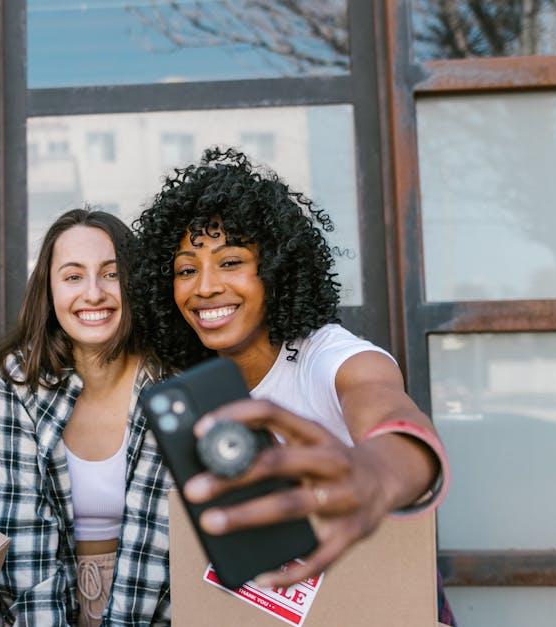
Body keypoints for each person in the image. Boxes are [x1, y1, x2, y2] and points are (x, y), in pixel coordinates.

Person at [130, 148, 456, 625]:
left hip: (384, 602)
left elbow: (386, 407)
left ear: (276, 271)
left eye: (231, 261)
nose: (203, 287)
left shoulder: (325, 355)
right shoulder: (191, 388)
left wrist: (375, 473)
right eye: (185, 269)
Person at [0, 209, 171, 626]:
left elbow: (154, 542)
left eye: (111, 274)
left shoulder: (167, 382)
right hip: (42, 605)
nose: (93, 293)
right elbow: (18, 537)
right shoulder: (20, 381)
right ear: (49, 291)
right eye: (72, 276)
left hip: (152, 606)